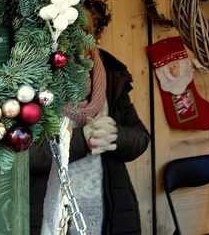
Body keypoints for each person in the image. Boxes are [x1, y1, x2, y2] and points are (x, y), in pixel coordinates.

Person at [29, 46, 151, 235]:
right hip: (50, 211)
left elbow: (140, 137)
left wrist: (115, 135)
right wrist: (82, 140)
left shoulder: (110, 76)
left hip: (111, 207)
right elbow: (23, 156)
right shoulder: (31, 80)